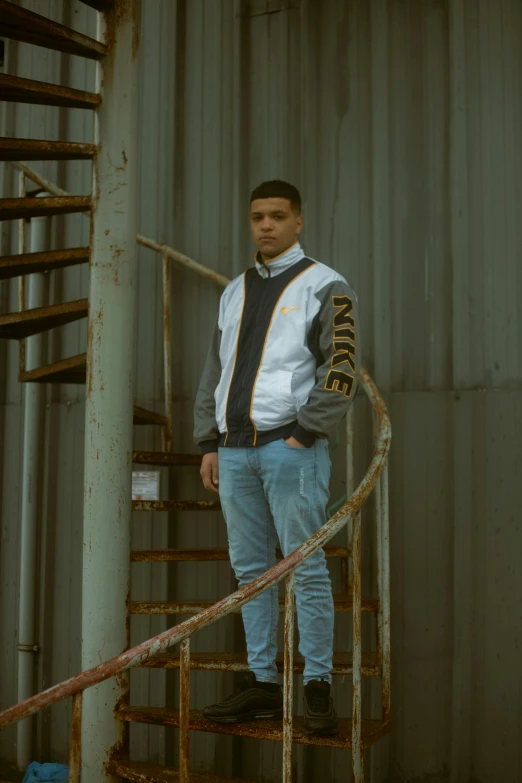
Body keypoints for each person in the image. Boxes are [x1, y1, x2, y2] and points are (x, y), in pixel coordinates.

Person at [193, 180, 359, 735]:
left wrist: (306, 432)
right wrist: (209, 441)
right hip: (235, 450)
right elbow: (215, 371)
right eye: (258, 216)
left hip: (290, 447)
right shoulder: (233, 290)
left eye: (278, 216)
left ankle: (317, 685)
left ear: (298, 222)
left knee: (305, 568)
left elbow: (342, 364)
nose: (266, 225)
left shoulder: (325, 284)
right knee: (250, 573)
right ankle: (263, 684)